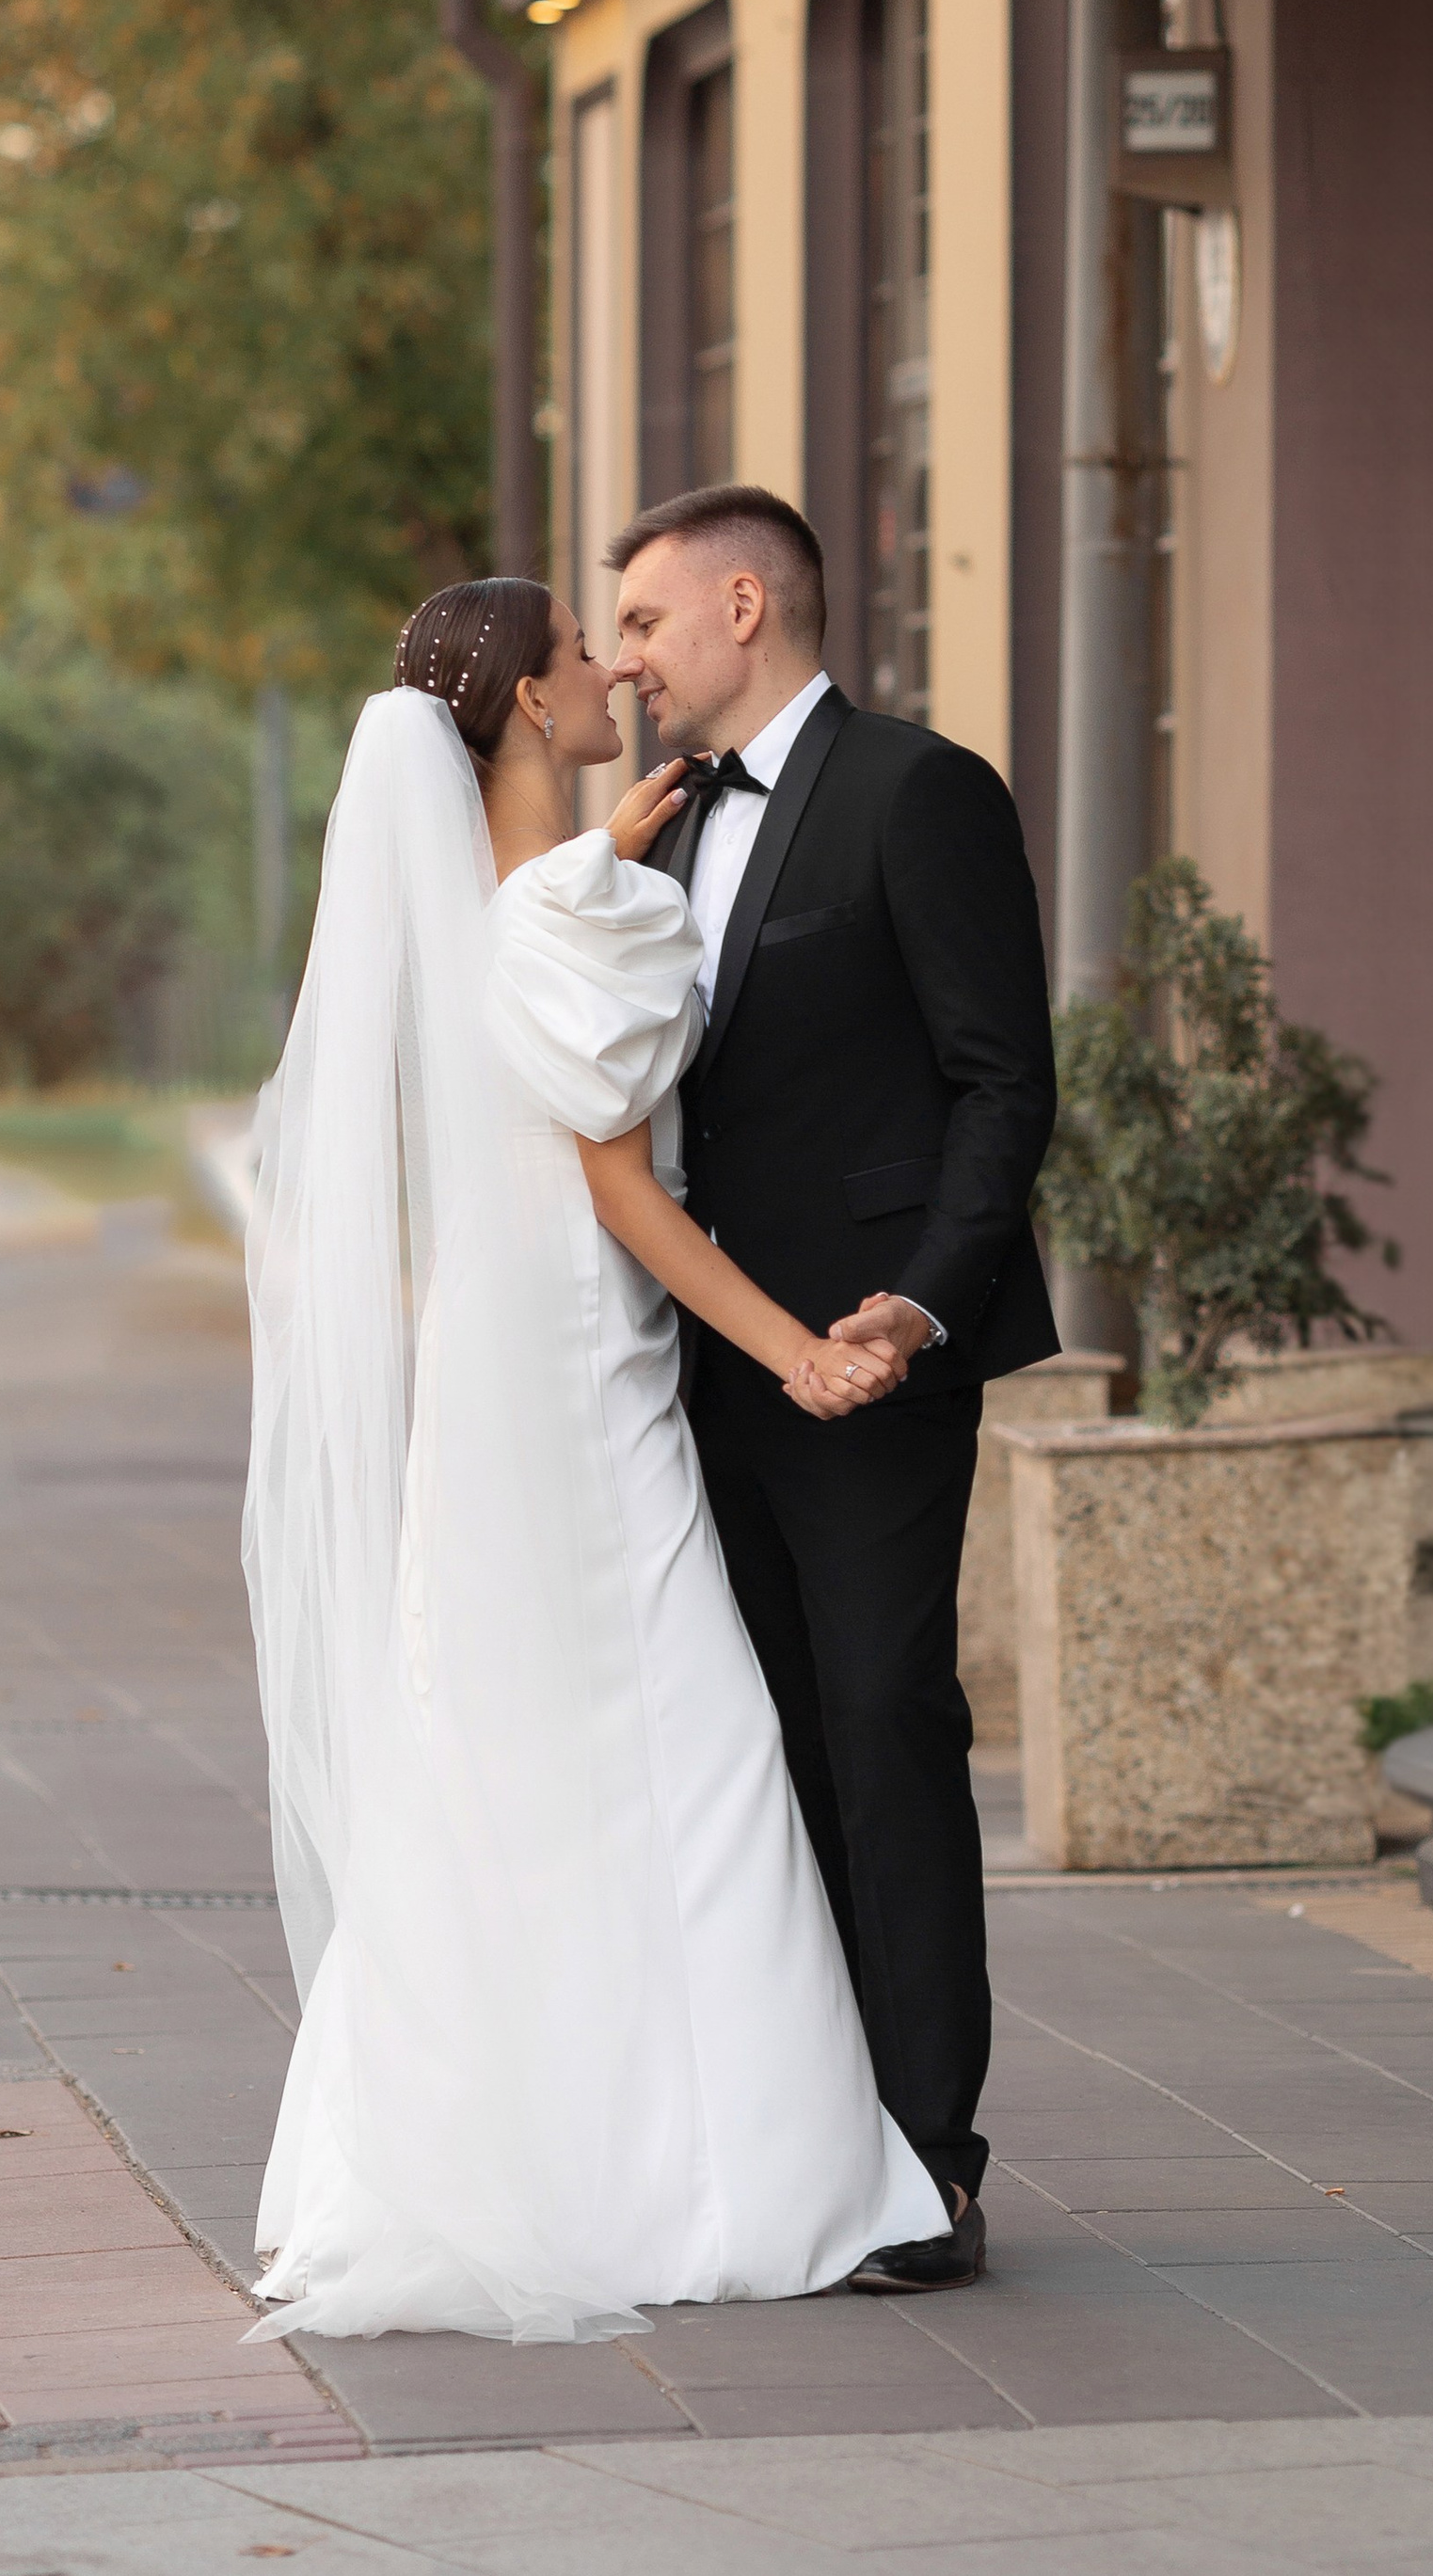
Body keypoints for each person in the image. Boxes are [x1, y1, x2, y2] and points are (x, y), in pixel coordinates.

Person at [242, 576, 945, 2344]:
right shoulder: (576, 908)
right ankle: (727, 2174)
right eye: (577, 652)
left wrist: (603, 868)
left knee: (494, 1760)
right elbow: (624, 1193)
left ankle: (493, 2153)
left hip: (485, 1370)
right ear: (522, 709)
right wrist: (793, 1349)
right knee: (687, 1751)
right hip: (580, 1368)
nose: (607, 669)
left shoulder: (478, 910)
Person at [606, 485, 1059, 2296]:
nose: (623, 660)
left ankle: (931, 2162)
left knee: (884, 1728)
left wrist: (921, 1311)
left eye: (640, 622)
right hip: (692, 1363)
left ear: (740, 606)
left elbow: (1000, 1084)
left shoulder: (918, 792)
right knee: (763, 1750)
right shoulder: (650, 832)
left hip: (868, 1365)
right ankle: (800, 2142)